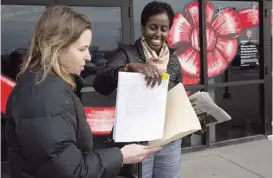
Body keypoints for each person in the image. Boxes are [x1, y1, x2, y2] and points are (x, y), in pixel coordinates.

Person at [4, 6, 161, 178]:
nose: (89, 56)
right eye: (81, 49)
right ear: (57, 47)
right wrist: (122, 156)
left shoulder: (43, 85)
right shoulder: (45, 95)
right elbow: (71, 170)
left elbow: (65, 155)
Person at [93, 1, 182, 178]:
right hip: (136, 142)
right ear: (143, 28)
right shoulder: (127, 53)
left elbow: (177, 97)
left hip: (168, 140)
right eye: (153, 27)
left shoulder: (173, 62)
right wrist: (130, 68)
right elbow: (100, 84)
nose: (158, 34)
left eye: (164, 29)